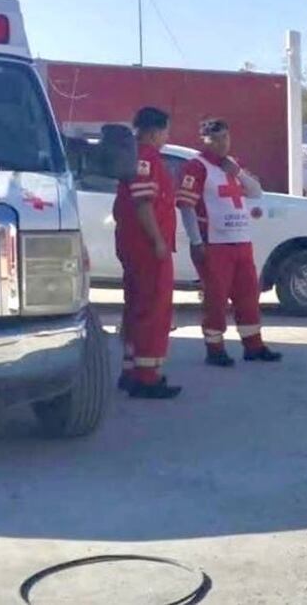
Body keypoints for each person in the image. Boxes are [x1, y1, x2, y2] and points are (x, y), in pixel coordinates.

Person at [175, 118, 283, 366]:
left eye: (225, 137)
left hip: (241, 241)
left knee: (248, 296)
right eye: (215, 139)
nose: (222, 143)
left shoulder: (234, 165)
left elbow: (256, 192)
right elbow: (186, 206)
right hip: (214, 244)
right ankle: (215, 349)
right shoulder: (196, 166)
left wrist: (238, 173)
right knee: (216, 298)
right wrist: (195, 241)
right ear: (204, 140)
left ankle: (253, 346)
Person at [114, 107, 181, 399]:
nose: (167, 137)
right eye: (166, 131)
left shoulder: (136, 156)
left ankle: (131, 370)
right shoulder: (147, 158)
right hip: (147, 247)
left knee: (137, 306)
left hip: (134, 245)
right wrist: (157, 241)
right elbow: (143, 204)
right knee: (154, 308)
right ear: (154, 132)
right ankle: (147, 376)